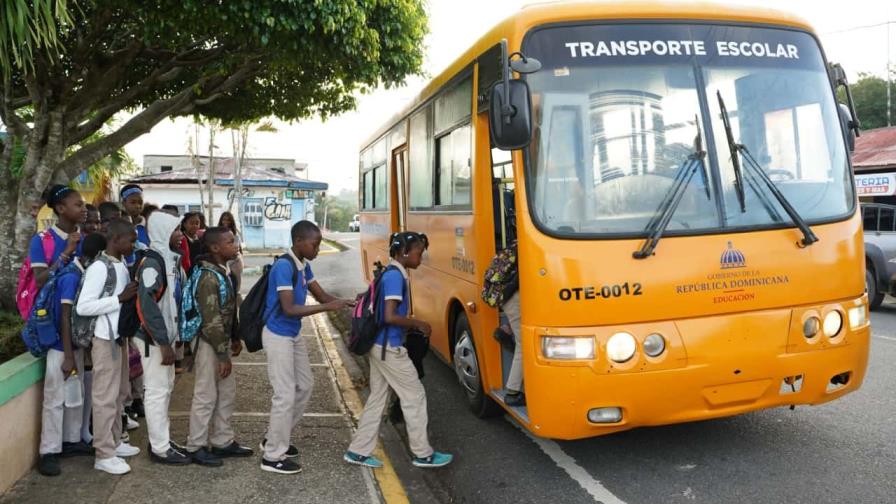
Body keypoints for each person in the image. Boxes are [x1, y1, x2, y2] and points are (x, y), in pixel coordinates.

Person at [344, 231, 453, 469]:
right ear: (404, 252)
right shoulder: (395, 277)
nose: (421, 257)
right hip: (389, 348)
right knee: (414, 396)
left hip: (378, 346)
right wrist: (418, 323)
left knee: (378, 399)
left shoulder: (390, 272)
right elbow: (390, 315)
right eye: (419, 252)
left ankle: (358, 451)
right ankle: (422, 454)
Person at [260, 220, 354, 474]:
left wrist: (346, 303)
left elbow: (323, 297)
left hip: (292, 333)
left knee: (306, 384)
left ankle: (275, 437)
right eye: (315, 244)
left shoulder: (304, 267)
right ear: (299, 241)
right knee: (284, 394)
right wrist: (327, 308)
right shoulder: (283, 266)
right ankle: (272, 456)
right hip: (278, 334)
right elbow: (289, 309)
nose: (317, 249)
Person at [37, 232, 107, 476]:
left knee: (74, 395)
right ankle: (49, 451)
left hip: (72, 346)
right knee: (55, 399)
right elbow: (65, 317)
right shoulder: (71, 277)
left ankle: (70, 440)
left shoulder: (80, 273)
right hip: (60, 347)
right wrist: (68, 356)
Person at [75, 219, 140, 475]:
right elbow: (84, 306)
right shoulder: (100, 268)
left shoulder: (119, 263)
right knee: (104, 397)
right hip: (104, 339)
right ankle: (103, 454)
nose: (133, 245)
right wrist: (119, 299)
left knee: (119, 393)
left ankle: (115, 442)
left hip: (118, 337)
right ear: (115, 240)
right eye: (131, 240)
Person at [184, 227, 254, 466]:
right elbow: (210, 320)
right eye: (230, 242)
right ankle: (196, 444)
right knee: (206, 394)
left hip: (221, 341)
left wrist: (235, 337)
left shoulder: (224, 271)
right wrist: (222, 354)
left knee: (226, 392)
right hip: (207, 342)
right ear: (215, 248)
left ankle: (222, 440)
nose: (236, 245)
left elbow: (229, 309)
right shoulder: (207, 277)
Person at [133, 211, 190, 465]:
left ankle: (162, 440)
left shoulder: (169, 261)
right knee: (156, 391)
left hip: (162, 337)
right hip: (152, 340)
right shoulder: (153, 264)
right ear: (162, 233)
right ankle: (159, 449)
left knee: (165, 390)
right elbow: (148, 306)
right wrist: (163, 342)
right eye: (176, 231)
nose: (181, 236)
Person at [29, 185, 86, 291]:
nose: (85, 210)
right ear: (60, 208)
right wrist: (67, 252)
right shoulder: (40, 240)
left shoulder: (86, 239)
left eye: (84, 205)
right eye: (79, 205)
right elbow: (40, 282)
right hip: (51, 305)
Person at [217, 211, 244, 291]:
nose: (226, 222)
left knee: (235, 288)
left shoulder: (235, 235)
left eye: (228, 220)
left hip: (234, 262)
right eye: (224, 220)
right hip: (223, 263)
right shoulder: (217, 234)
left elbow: (235, 250)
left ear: (231, 222)